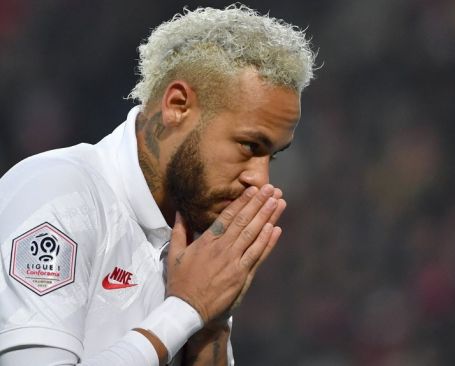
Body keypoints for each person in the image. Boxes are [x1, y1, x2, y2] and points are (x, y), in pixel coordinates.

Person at [0, 5, 315, 365]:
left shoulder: (196, 236)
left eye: (271, 155)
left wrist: (213, 319)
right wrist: (184, 310)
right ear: (178, 105)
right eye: (249, 146)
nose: (260, 179)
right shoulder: (59, 193)